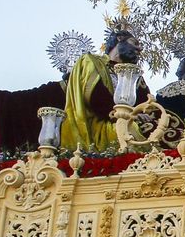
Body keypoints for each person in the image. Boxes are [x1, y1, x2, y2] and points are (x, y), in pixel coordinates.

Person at [61, 20, 150, 152]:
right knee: (132, 129)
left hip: (129, 120)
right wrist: (128, 115)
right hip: (100, 126)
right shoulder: (92, 61)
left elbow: (147, 103)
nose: (140, 49)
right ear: (119, 39)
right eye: (135, 43)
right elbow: (94, 97)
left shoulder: (134, 75)